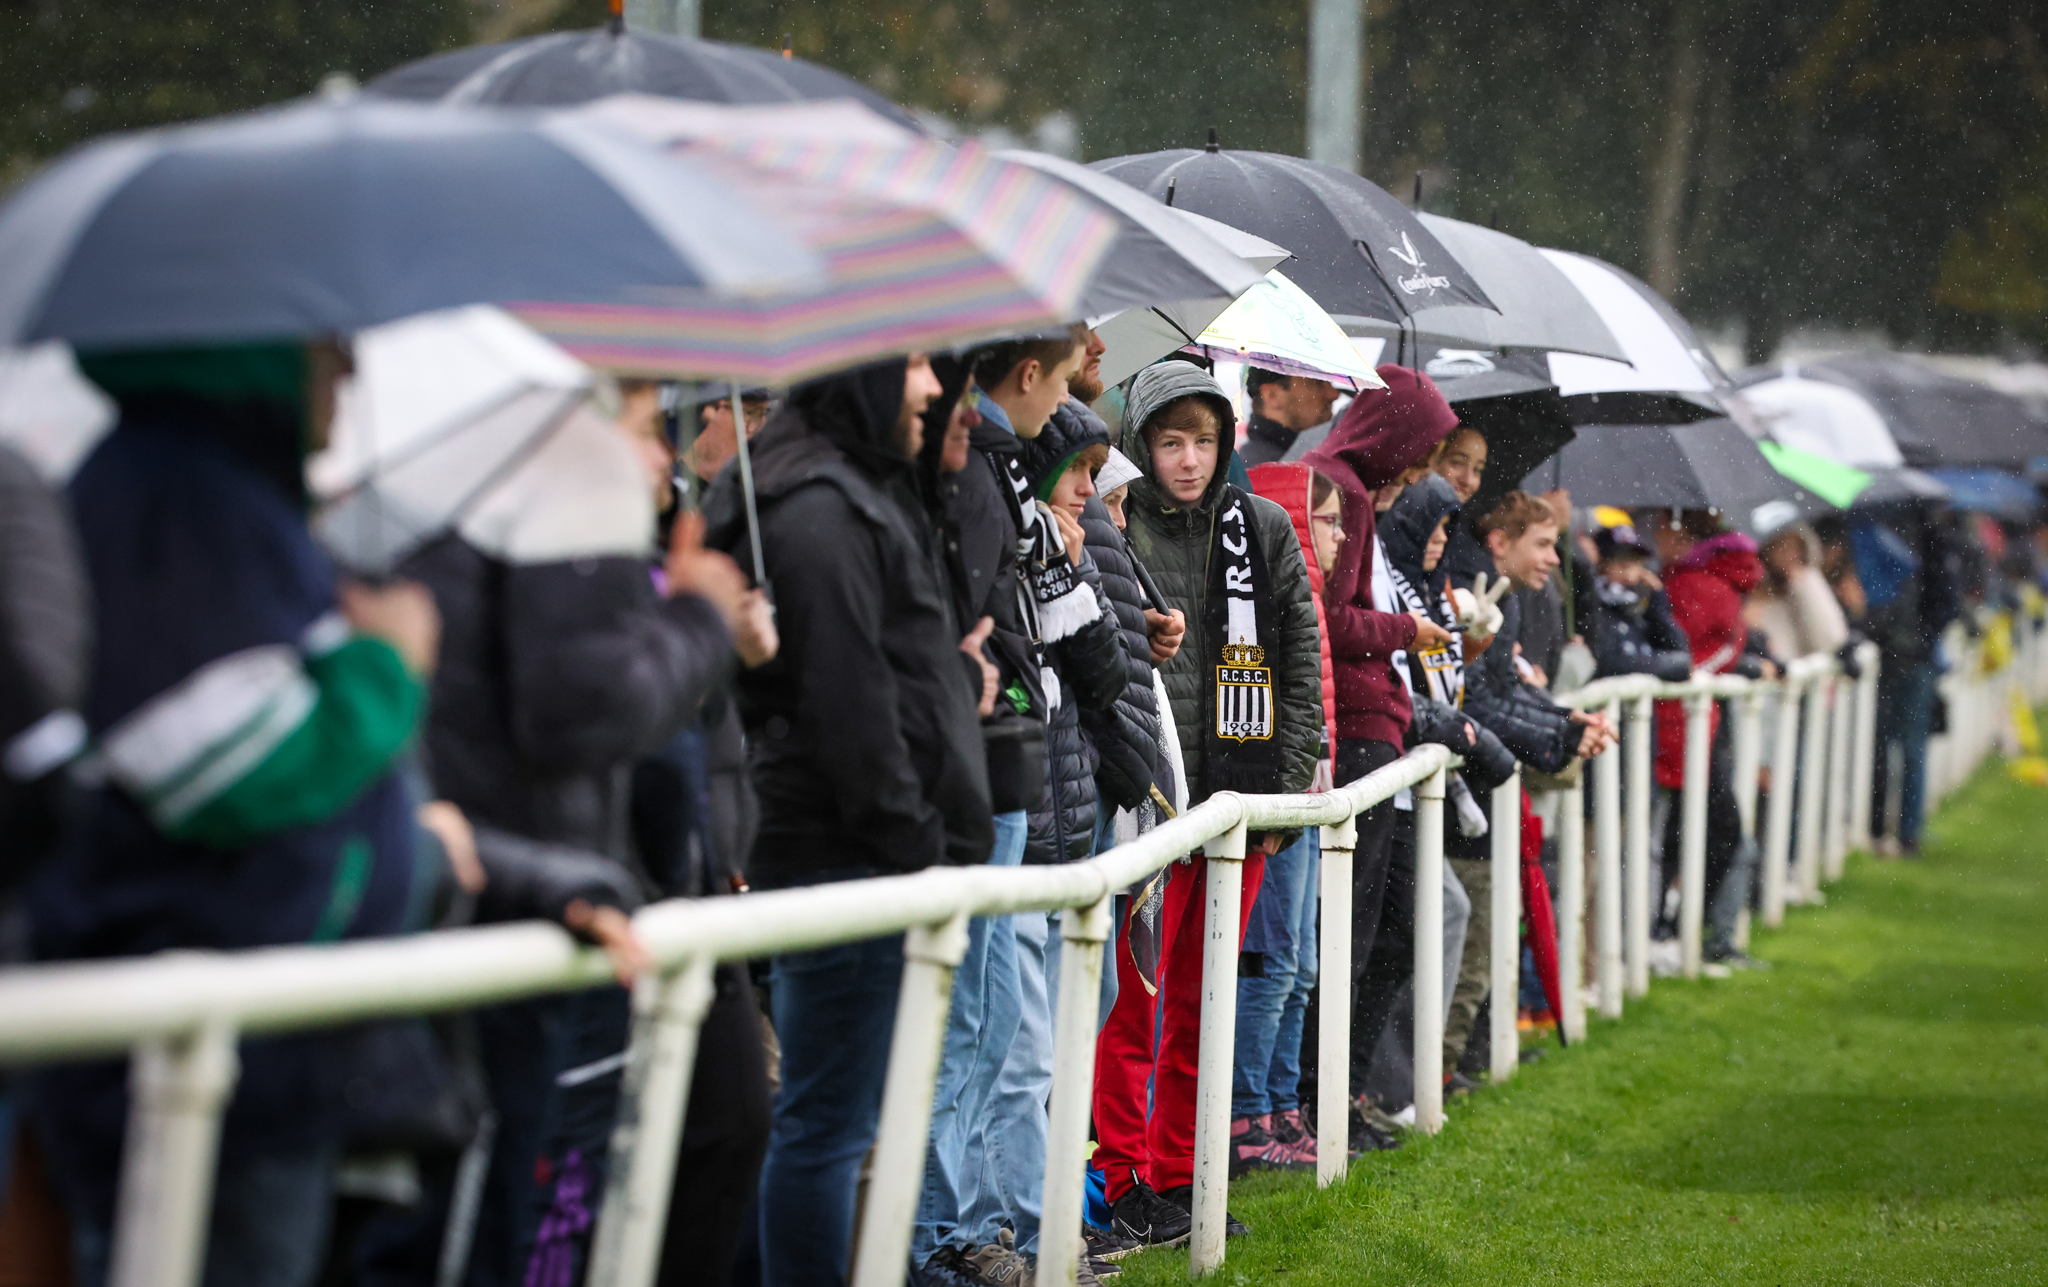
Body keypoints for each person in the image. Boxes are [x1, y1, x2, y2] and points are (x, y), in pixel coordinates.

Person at [24, 342, 440, 1287]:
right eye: (329, 344)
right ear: (258, 345)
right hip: (209, 1047)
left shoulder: (225, 495)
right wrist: (388, 665)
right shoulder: (175, 494)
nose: (351, 372)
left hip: (267, 1042)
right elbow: (224, 765)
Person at [705, 355, 993, 1287]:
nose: (933, 389)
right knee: (828, 1125)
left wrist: (954, 682)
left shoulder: (838, 489)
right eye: (915, 363)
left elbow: (882, 676)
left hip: (858, 851)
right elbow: (850, 712)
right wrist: (918, 847)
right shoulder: (820, 507)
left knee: (832, 1121)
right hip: (850, 856)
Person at [1297, 366, 1461, 1127]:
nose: (1419, 474)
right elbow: (1334, 621)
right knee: (1362, 933)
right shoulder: (1348, 493)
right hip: (1363, 731)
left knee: (1383, 928)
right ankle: (1325, 1099)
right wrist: (1407, 630)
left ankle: (1339, 1095)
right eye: (1419, 455)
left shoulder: (1338, 481)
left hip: (1373, 730)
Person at [1444, 491, 1613, 1076]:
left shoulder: (1506, 599)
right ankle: (1439, 1072)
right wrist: (1559, 736)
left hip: (1480, 790)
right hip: (1461, 798)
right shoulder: (1477, 595)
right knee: (1474, 937)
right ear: (1500, 541)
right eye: (1542, 544)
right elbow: (1478, 704)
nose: (1553, 557)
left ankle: (1463, 1061)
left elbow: (1506, 694)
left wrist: (1564, 725)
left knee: (1488, 933)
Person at [1235, 462, 1343, 1171]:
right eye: (1328, 520)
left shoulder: (1309, 592)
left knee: (1300, 965)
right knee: (1274, 963)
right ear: (1298, 522)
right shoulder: (1272, 587)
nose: (1340, 536)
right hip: (1282, 796)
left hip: (1311, 788)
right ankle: (1246, 1116)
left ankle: (1279, 1109)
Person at [1650, 510, 1773, 968]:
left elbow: (1693, 656)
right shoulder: (1715, 583)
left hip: (1681, 725)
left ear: (1682, 532)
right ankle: (1695, 932)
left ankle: (1676, 929)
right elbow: (1720, 650)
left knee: (1684, 834)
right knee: (1705, 832)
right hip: (1693, 724)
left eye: (1660, 526)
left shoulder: (1694, 585)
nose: (1654, 533)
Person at [1585, 513, 1694, 683]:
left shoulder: (1639, 607)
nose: (1630, 576)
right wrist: (1664, 665)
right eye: (1623, 566)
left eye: (1637, 565)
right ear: (1602, 566)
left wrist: (1657, 600)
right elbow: (1608, 663)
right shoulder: (1591, 605)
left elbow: (1678, 649)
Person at [1239, 367, 1342, 466]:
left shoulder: (1258, 461)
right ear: (1272, 395)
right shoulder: (1263, 469)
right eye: (1318, 383)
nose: (1334, 394)